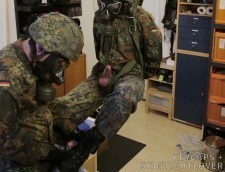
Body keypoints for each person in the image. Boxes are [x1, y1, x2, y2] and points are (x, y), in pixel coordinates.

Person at [49, 0, 162, 170]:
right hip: (102, 73)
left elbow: (153, 58)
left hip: (131, 75)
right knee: (61, 107)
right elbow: (98, 48)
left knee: (122, 99)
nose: (106, 6)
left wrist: (136, 73)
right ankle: (58, 148)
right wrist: (103, 73)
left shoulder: (142, 18)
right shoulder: (100, 16)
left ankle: (86, 146)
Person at [0, 12, 84, 172]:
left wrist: (65, 126)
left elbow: (33, 105)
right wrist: (50, 151)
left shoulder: (29, 57)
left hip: (32, 136)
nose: (60, 71)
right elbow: (1, 143)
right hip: (15, 163)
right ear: (40, 47)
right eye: (60, 63)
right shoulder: (5, 79)